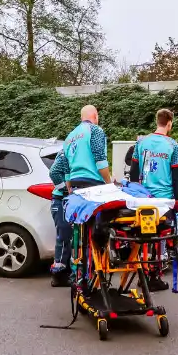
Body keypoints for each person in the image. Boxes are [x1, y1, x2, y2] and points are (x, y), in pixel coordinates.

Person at [47, 105, 112, 287]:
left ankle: (78, 274)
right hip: (92, 186)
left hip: (76, 187)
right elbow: (100, 159)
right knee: (95, 231)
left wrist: (68, 189)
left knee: (77, 235)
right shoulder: (95, 130)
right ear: (95, 116)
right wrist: (109, 184)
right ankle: (95, 274)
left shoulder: (70, 137)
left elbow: (66, 169)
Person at [128, 109, 178, 291]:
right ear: (169, 123)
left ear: (157, 121)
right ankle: (154, 276)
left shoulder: (142, 142)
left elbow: (134, 171)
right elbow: (176, 177)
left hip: (144, 197)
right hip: (164, 200)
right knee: (159, 238)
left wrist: (135, 193)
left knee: (143, 237)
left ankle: (142, 273)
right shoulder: (173, 145)